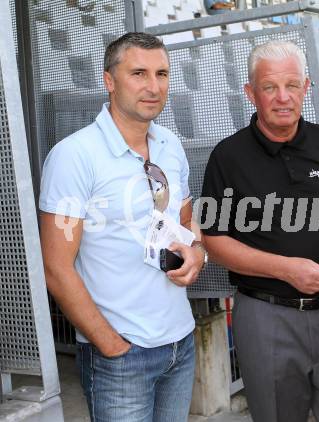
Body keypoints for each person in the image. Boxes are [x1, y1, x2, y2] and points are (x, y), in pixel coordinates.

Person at [201, 40, 319, 422]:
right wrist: (285, 269)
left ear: (307, 88)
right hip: (266, 317)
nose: (283, 98)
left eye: (292, 85)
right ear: (251, 93)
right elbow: (213, 242)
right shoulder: (227, 156)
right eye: (269, 87)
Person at [39, 32, 207, 422]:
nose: (153, 86)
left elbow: (186, 222)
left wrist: (197, 252)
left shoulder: (171, 144)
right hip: (119, 356)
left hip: (179, 344)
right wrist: (109, 344)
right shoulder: (74, 156)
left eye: (162, 73)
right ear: (109, 81)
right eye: (139, 73)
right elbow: (56, 267)